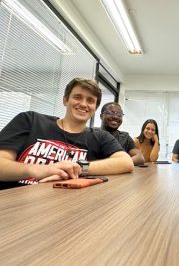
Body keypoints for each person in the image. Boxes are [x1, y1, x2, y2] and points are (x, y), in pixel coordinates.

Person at [0, 78, 133, 189]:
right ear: (65, 100)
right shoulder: (30, 120)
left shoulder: (100, 136)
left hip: (65, 208)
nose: (83, 104)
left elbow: (126, 162)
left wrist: (77, 168)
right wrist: (37, 169)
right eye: (77, 97)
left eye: (90, 100)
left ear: (95, 108)